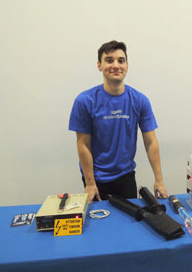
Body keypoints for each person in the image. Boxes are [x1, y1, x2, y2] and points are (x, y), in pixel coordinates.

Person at [69, 40, 167, 203]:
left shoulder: (140, 100)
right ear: (99, 65)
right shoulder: (84, 101)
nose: (115, 65)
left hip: (126, 177)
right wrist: (90, 183)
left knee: (128, 223)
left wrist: (159, 180)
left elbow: (150, 142)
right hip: (96, 179)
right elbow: (83, 144)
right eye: (109, 60)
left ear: (127, 66)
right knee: (100, 224)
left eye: (121, 61)